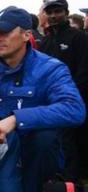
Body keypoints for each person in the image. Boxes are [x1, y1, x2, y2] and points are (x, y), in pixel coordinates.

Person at [0, 6, 85, 192]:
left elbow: (74, 109)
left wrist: (17, 118)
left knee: (44, 138)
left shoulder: (50, 68)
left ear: (27, 35)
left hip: (33, 152)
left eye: (5, 32)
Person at [39, 0, 88, 182]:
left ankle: (72, 178)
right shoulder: (46, 41)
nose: (53, 16)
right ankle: (60, 174)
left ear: (66, 12)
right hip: (51, 101)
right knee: (56, 138)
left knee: (73, 139)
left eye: (57, 11)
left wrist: (71, 95)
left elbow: (84, 69)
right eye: (49, 12)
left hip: (76, 99)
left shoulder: (79, 37)